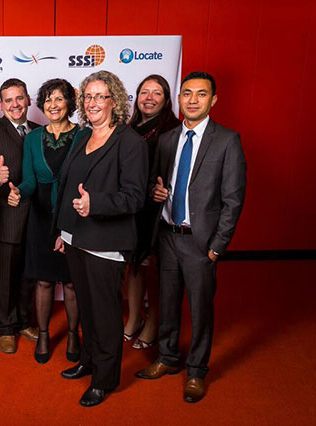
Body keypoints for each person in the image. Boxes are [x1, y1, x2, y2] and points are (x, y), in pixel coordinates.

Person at [135, 71, 246, 403]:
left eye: (201, 94)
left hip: (200, 242)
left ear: (213, 100)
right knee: (167, 303)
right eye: (187, 93)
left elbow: (233, 199)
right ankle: (168, 358)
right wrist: (156, 193)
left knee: (200, 309)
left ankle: (197, 370)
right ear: (179, 99)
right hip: (167, 236)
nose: (193, 100)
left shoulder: (227, 140)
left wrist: (216, 247)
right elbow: (158, 184)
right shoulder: (168, 139)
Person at [53, 70, 148, 407]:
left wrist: (98, 203)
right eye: (88, 97)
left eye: (100, 96)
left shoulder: (130, 141)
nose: (93, 103)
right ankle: (90, 361)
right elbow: (67, 188)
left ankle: (104, 379)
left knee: (106, 314)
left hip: (106, 242)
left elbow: (135, 196)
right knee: (88, 310)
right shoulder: (81, 137)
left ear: (115, 101)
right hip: (77, 239)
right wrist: (64, 231)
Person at [6, 78, 87, 363]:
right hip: (40, 219)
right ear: (41, 104)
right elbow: (29, 182)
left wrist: (69, 222)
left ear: (69, 104)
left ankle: (75, 333)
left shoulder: (83, 136)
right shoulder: (32, 138)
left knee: (72, 283)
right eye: (49, 99)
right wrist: (17, 192)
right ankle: (42, 334)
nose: (53, 105)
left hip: (72, 217)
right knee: (42, 281)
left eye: (60, 99)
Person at [0, 78, 40, 354]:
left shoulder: (39, 132)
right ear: (1, 105)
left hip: (35, 219)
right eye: (8, 100)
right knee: (3, 277)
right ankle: (6, 327)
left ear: (28, 100)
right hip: (4, 219)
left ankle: (24, 321)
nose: (15, 104)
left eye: (19, 98)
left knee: (28, 275)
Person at [124, 75, 181, 350]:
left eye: (156, 93)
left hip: (157, 210)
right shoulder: (130, 127)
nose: (149, 97)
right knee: (134, 267)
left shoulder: (172, 130)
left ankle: (153, 322)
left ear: (166, 99)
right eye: (144, 92)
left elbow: (179, 173)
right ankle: (134, 318)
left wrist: (161, 191)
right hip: (133, 208)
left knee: (154, 269)